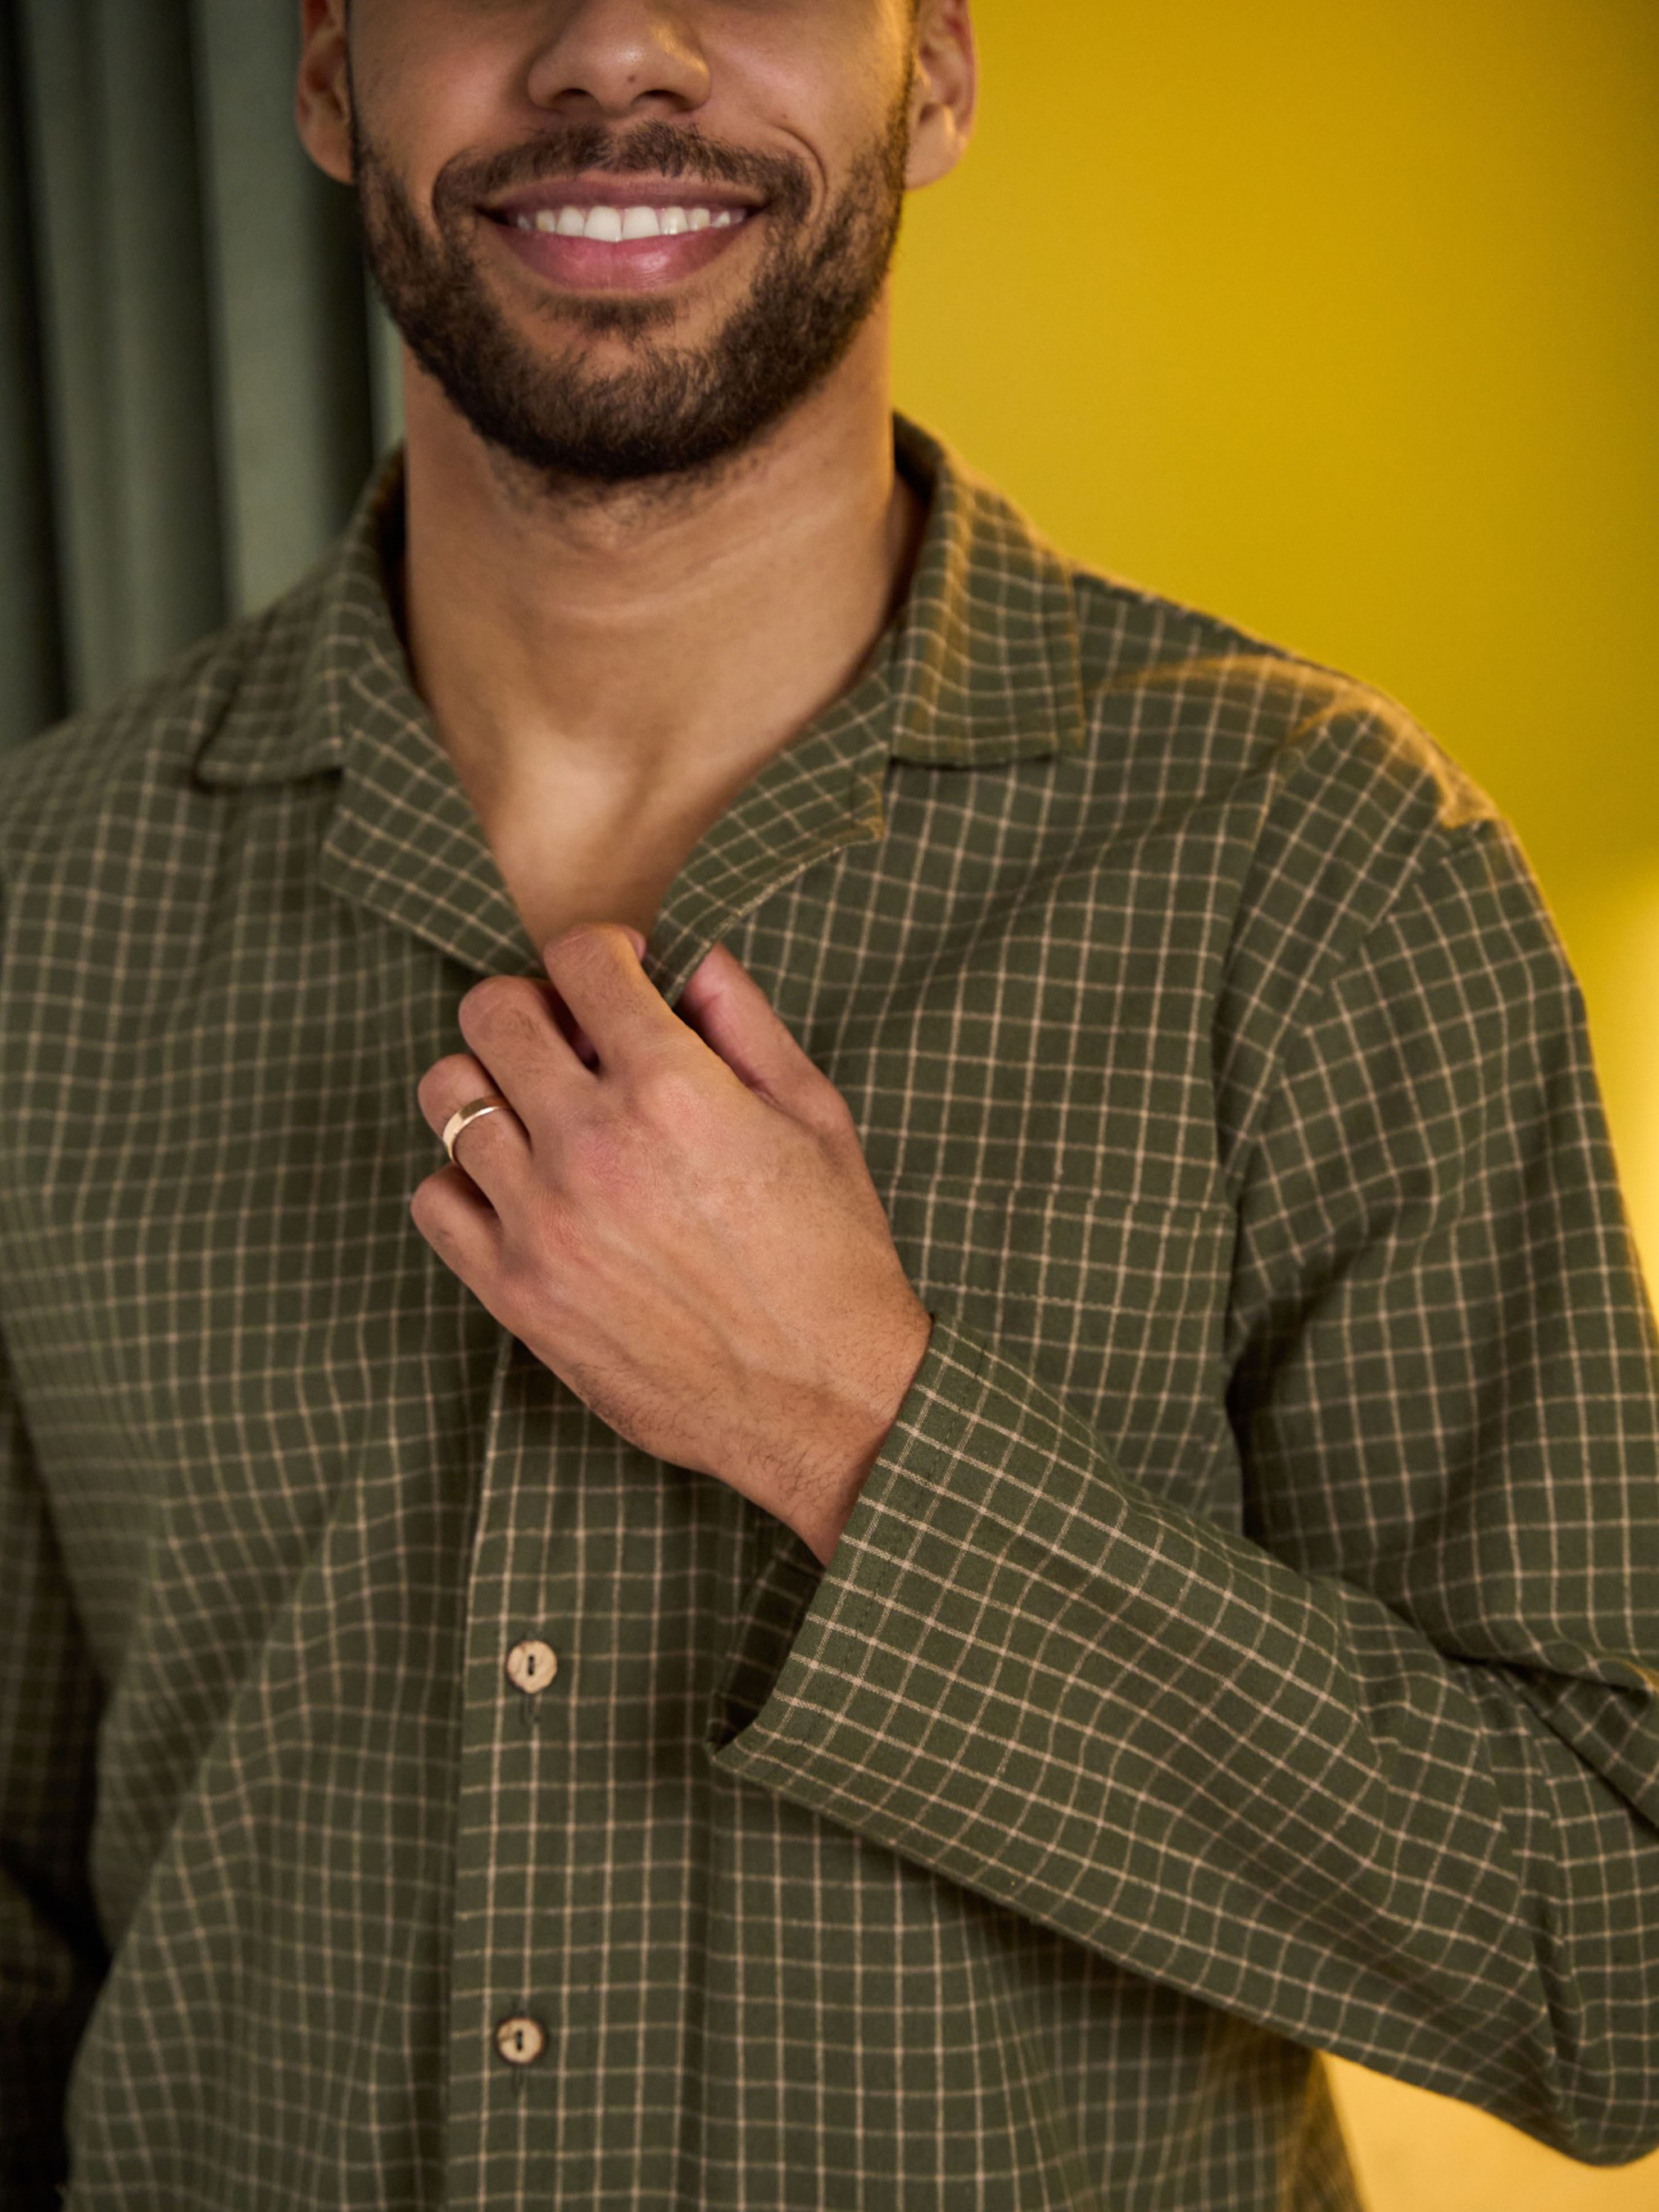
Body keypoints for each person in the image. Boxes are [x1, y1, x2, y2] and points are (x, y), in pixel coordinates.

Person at [2, 0, 1657, 2204]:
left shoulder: (1317, 866)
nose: (615, 47)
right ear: (325, 69)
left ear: (935, 72)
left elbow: (1614, 1955)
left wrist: (849, 1424)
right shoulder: (40, 906)